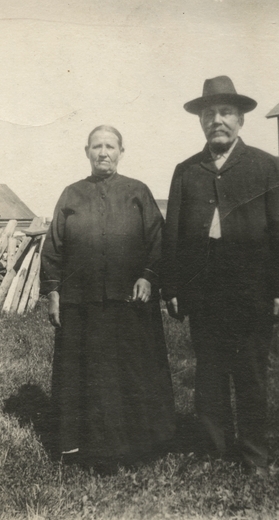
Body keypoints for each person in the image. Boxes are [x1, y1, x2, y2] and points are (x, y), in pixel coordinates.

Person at [162, 76, 279, 473]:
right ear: (201, 122)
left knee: (251, 374)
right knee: (209, 374)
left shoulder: (264, 165)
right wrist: (171, 287)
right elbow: (173, 233)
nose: (216, 120)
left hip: (252, 291)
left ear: (240, 120)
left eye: (224, 113)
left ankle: (254, 454)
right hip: (203, 293)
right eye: (209, 114)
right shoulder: (187, 170)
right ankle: (213, 449)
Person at [41, 125, 175, 473]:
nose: (104, 153)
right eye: (97, 146)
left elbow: (159, 242)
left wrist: (149, 275)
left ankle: (139, 446)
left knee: (130, 373)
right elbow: (53, 247)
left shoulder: (137, 192)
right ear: (86, 151)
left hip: (130, 303)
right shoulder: (71, 194)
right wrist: (53, 291)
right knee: (85, 375)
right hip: (80, 305)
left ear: (121, 151)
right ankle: (78, 447)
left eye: (111, 146)